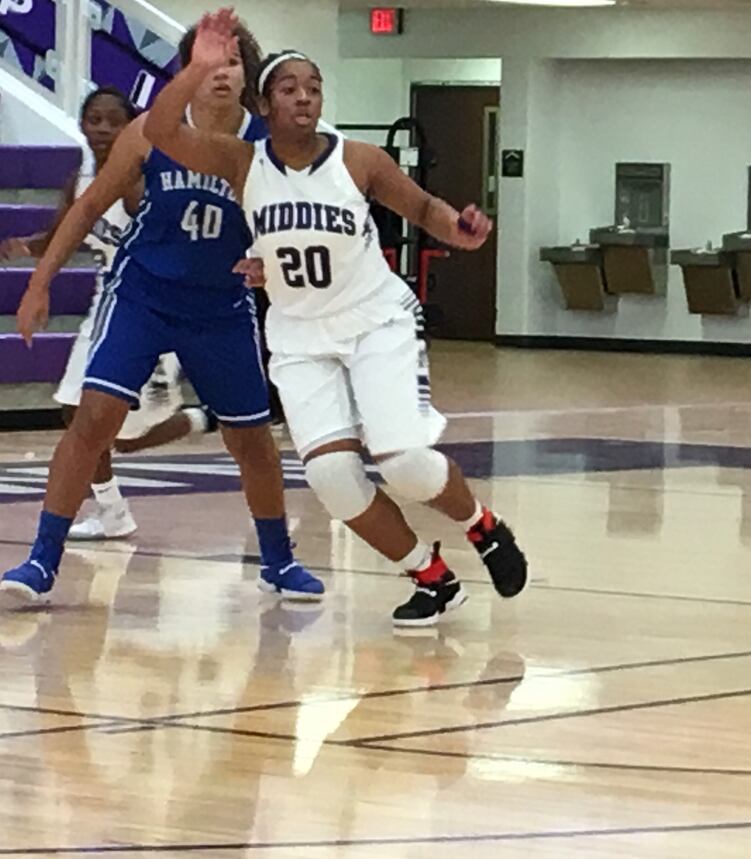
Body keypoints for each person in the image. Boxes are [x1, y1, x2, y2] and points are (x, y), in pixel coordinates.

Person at [144, 14, 528, 626]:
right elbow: (161, 130)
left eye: (313, 87)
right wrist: (196, 67)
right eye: (289, 87)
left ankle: (482, 526)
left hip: (375, 321)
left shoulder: (359, 160)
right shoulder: (243, 162)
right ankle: (430, 577)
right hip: (300, 336)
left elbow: (425, 206)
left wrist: (460, 229)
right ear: (264, 103)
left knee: (401, 459)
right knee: (332, 479)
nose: (304, 96)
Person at [7, 17, 324, 602]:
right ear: (188, 70)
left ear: (246, 74)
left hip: (221, 304)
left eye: (233, 63)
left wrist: (270, 264)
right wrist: (39, 283)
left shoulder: (267, 144)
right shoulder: (153, 132)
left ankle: (278, 560)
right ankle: (41, 561)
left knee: (252, 440)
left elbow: (298, 225)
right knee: (93, 420)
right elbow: (87, 207)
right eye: (211, 61)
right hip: (144, 293)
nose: (222, 73)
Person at [1, 87, 218, 541]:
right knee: (75, 412)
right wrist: (28, 250)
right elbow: (67, 230)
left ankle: (191, 419)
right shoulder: (80, 176)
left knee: (111, 432)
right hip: (106, 301)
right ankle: (114, 511)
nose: (100, 128)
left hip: (150, 304)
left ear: (130, 126)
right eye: (92, 119)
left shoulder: (145, 176)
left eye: (111, 121)